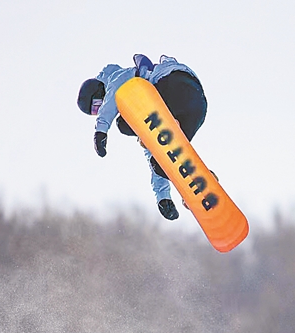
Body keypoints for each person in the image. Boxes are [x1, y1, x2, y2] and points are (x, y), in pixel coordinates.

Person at [77, 54, 208, 221]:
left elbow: (112, 96)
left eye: (96, 106)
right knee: (162, 161)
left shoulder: (120, 78)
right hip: (197, 107)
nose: (99, 109)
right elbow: (154, 147)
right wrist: (163, 197)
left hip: (174, 83)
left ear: (99, 89)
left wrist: (101, 130)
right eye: (95, 111)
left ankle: (169, 117)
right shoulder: (142, 111)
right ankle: (196, 183)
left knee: (123, 124)